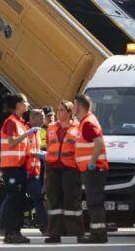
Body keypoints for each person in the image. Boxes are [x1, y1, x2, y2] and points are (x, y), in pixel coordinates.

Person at [44, 100, 83, 243]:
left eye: (62, 110)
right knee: (53, 201)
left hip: (71, 168)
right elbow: (49, 146)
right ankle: (54, 233)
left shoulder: (77, 128)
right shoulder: (51, 127)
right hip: (53, 168)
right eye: (58, 110)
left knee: (72, 200)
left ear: (69, 112)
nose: (59, 113)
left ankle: (77, 231)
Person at [0, 93, 35, 245]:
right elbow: (12, 142)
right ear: (18, 104)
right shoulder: (12, 122)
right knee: (14, 200)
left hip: (18, 167)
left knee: (18, 200)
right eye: (25, 102)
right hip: (11, 167)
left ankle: (15, 232)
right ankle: (10, 232)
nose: (27, 104)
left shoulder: (19, 123)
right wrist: (27, 133)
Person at [74, 94, 108, 244]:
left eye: (74, 104)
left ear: (79, 106)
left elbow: (99, 142)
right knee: (94, 201)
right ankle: (97, 232)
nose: (73, 108)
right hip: (92, 169)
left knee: (94, 202)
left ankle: (98, 233)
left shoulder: (87, 123)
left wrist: (92, 162)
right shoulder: (86, 122)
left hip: (93, 169)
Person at [26, 109, 47, 233]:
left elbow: (36, 150)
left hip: (34, 173)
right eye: (41, 117)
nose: (43, 120)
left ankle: (45, 226)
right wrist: (44, 155)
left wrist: (45, 154)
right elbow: (27, 151)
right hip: (24, 172)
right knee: (13, 199)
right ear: (33, 118)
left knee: (38, 199)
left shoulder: (38, 132)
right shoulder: (26, 131)